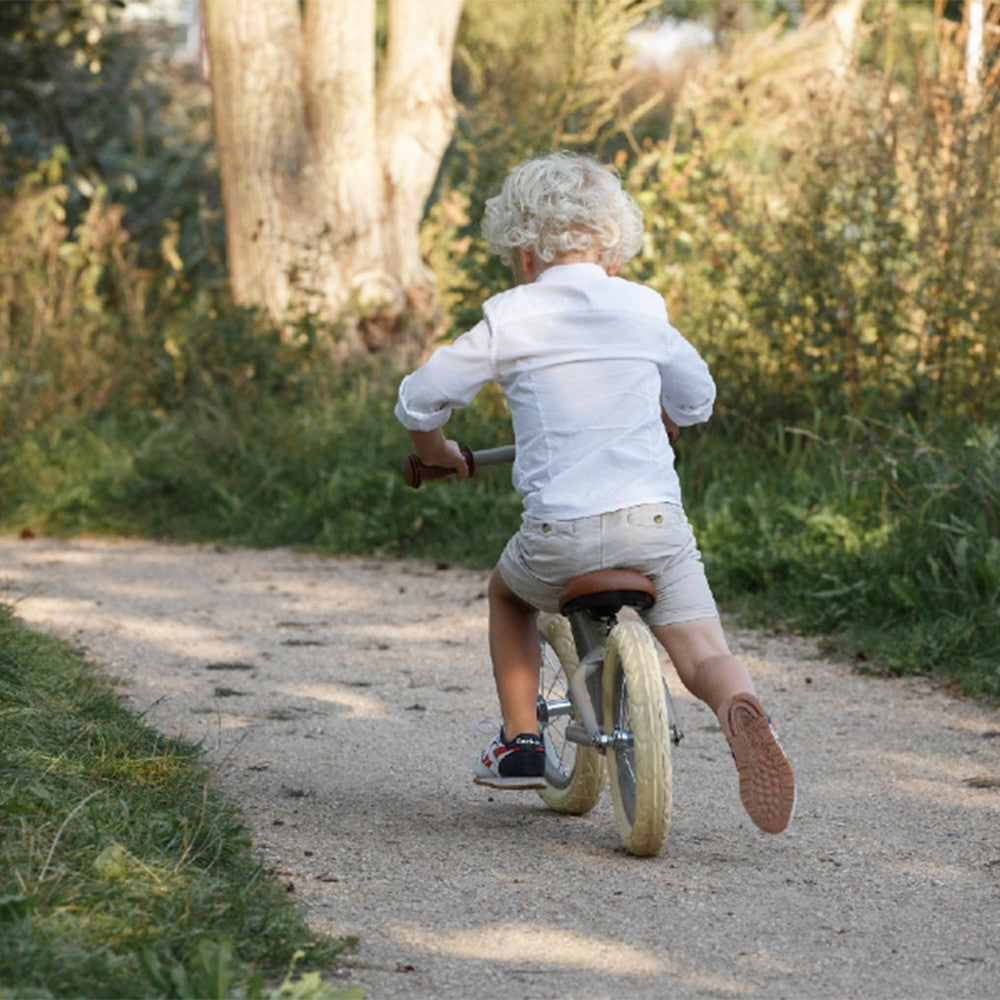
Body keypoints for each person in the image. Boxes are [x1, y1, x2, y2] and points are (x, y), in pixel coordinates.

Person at [395, 151, 795, 834]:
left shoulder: (512, 314)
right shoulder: (643, 307)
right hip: (654, 525)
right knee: (702, 652)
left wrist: (440, 455)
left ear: (521, 253)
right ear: (613, 253)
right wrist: (664, 416)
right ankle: (740, 707)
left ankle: (521, 741)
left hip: (561, 535)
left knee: (508, 594)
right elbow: (697, 398)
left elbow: (419, 400)